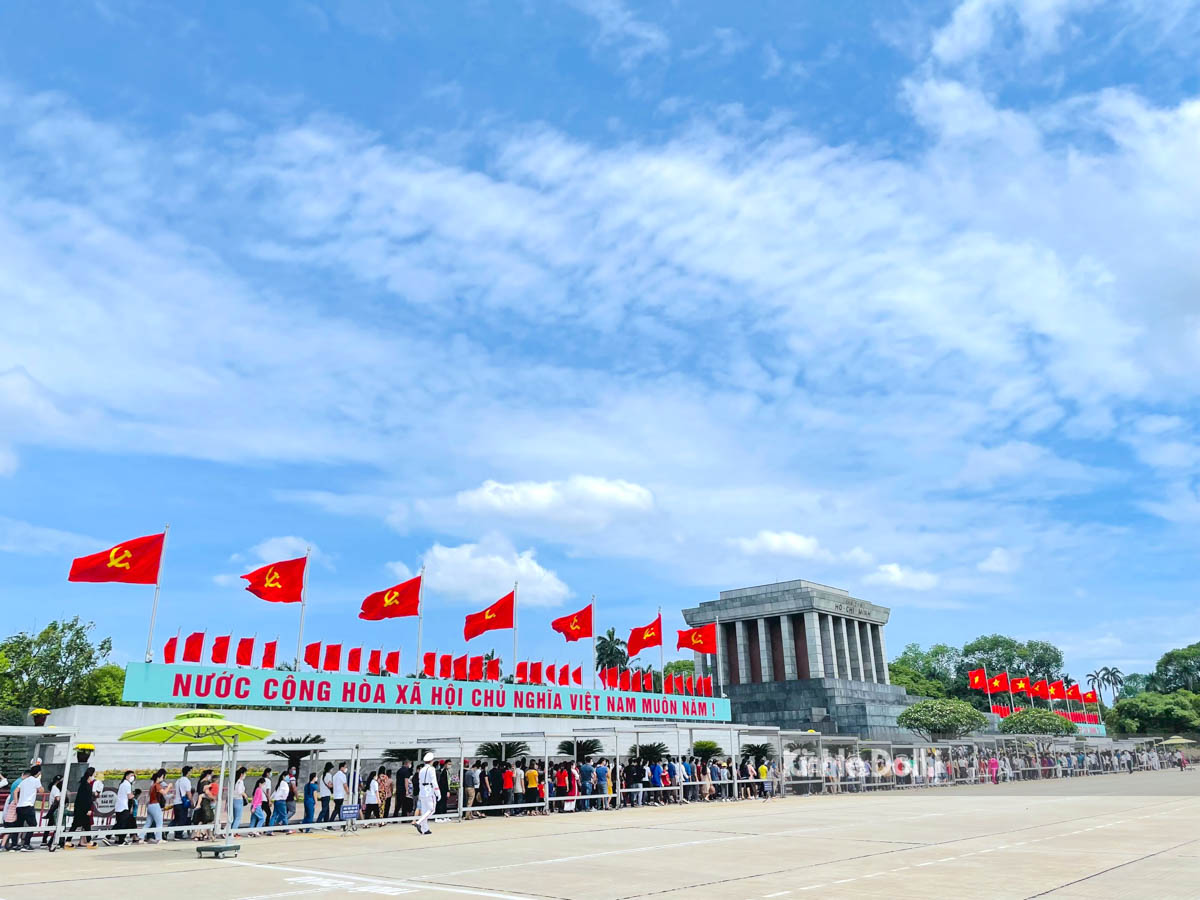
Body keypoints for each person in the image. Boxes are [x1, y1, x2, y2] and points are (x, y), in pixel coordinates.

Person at [64, 767, 96, 849]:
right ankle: (88, 842)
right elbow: (87, 799)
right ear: (90, 775)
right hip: (83, 809)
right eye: (94, 774)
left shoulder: (83, 784)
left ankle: (70, 841)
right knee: (82, 825)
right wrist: (88, 809)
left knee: (82, 825)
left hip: (79, 809)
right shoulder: (87, 786)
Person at [414, 752, 440, 835]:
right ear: (431, 761)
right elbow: (434, 782)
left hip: (422, 791)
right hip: (429, 790)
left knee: (425, 811)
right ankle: (419, 822)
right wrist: (438, 792)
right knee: (432, 809)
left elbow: (420, 782)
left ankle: (425, 829)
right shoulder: (431, 769)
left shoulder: (421, 770)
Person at [107, 770, 136, 845]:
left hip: (119, 806)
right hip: (123, 807)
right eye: (131, 776)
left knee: (120, 823)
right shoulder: (127, 784)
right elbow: (129, 796)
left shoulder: (122, 784)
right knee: (121, 824)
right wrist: (135, 794)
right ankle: (108, 837)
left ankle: (120, 839)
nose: (132, 777)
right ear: (126, 776)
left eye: (133, 776)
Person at [139, 770, 166, 844]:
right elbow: (164, 792)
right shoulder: (157, 785)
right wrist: (169, 786)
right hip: (155, 805)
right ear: (159, 777)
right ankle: (159, 838)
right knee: (159, 822)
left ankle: (141, 838)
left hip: (150, 805)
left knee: (148, 823)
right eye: (162, 777)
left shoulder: (152, 785)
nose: (163, 779)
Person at [171, 765, 193, 840]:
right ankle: (178, 835)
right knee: (182, 819)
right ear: (188, 772)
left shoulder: (178, 780)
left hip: (176, 802)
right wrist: (191, 802)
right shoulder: (186, 781)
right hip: (182, 803)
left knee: (176, 819)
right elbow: (188, 793)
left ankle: (167, 831)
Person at [231, 767, 247, 834]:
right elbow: (240, 791)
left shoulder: (236, 781)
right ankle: (234, 832)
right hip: (238, 800)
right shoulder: (240, 782)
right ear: (241, 774)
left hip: (234, 799)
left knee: (235, 817)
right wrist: (245, 795)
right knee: (238, 817)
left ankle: (231, 831)